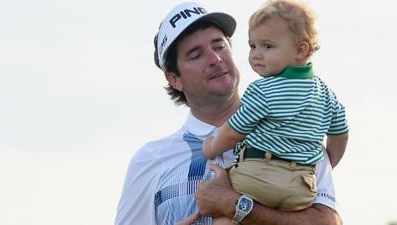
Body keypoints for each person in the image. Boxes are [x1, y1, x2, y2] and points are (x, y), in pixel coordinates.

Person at [115, 2, 343, 225]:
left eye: (219, 46)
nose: (215, 59)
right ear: (174, 79)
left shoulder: (297, 129)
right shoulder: (149, 161)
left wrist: (235, 205)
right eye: (196, 55)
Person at [201, 0, 349, 214]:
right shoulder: (326, 94)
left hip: (257, 178)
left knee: (222, 209)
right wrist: (326, 164)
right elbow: (340, 136)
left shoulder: (263, 89)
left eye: (267, 46)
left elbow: (234, 131)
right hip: (301, 189)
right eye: (253, 46)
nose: (256, 54)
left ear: (300, 50)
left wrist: (211, 147)